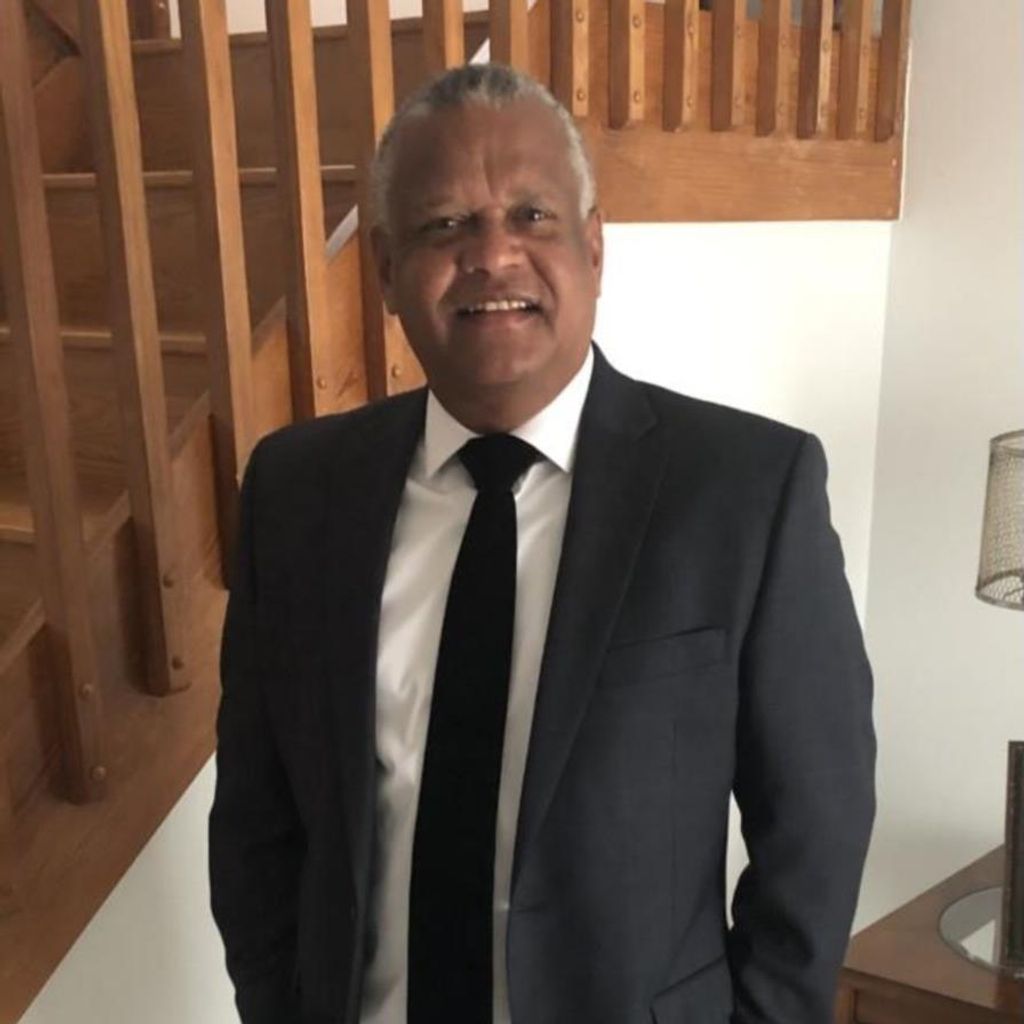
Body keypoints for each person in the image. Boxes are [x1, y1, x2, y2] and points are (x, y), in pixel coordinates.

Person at [209, 63, 875, 1024]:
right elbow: (255, 821)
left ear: (593, 248)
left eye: (531, 216)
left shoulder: (745, 494)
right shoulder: (296, 492)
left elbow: (816, 825)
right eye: (445, 224)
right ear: (387, 269)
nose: (492, 255)